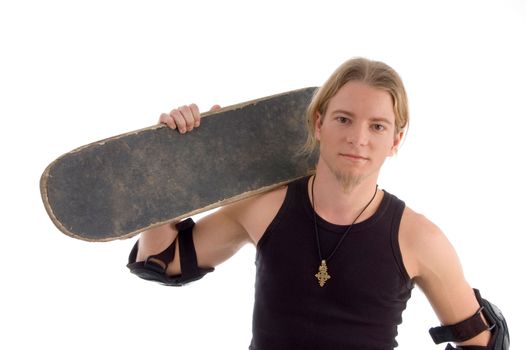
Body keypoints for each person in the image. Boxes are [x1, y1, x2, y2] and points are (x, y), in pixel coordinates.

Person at [127, 58, 508, 349]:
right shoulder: (265, 207)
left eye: (377, 126)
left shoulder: (418, 238)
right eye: (344, 119)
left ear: (395, 140)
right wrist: (172, 167)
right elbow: (162, 260)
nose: (358, 138)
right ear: (318, 124)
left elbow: (484, 342)